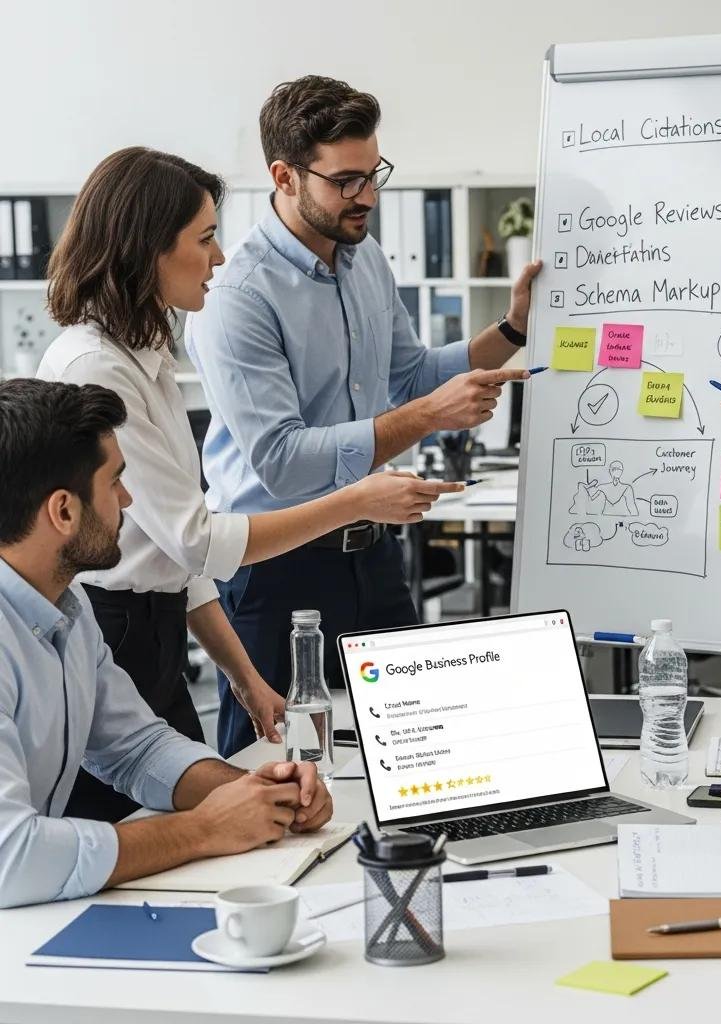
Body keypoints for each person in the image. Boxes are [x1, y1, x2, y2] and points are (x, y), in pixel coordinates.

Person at [37, 147, 462, 823]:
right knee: (134, 845)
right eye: (204, 239)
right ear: (146, 249)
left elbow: (181, 554)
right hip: (117, 629)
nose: (219, 258)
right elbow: (198, 541)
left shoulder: (147, 351)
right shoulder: (97, 365)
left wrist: (242, 677)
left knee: (215, 820)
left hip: (159, 628)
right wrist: (355, 499)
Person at [185, 76, 542, 756]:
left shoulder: (365, 257)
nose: (368, 197)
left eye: (373, 173)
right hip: (279, 569)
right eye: (345, 181)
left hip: (374, 556)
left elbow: (409, 375)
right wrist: (427, 417)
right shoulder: (239, 295)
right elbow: (284, 462)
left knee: (412, 751)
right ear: (285, 176)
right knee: (275, 772)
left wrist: (512, 328)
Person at [0, 378, 333, 909]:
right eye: (115, 483)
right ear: (63, 511)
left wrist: (257, 794)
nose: (129, 500)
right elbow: (10, 856)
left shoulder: (67, 605)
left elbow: (136, 747)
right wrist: (203, 830)